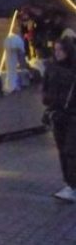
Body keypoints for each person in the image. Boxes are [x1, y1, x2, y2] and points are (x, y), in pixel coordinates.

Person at [42, 37, 76, 203]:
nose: (57, 53)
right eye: (55, 50)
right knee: (62, 149)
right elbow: (46, 88)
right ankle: (69, 183)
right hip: (57, 113)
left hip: (72, 114)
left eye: (60, 50)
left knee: (71, 150)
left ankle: (73, 185)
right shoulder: (51, 68)